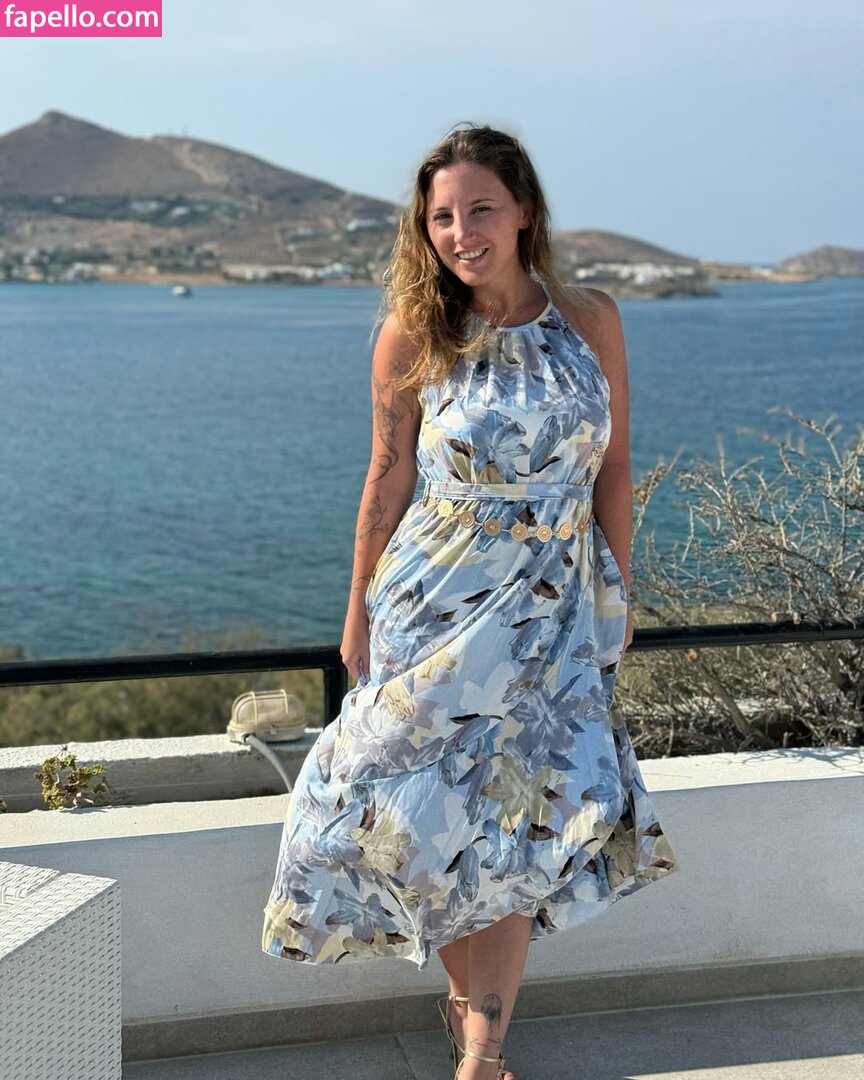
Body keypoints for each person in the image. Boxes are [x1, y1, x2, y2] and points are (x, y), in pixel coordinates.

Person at [262, 122, 680, 1080]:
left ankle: (482, 1053)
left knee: (521, 822)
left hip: (556, 611)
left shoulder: (592, 319)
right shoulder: (414, 333)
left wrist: (616, 591)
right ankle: (471, 1019)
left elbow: (614, 467)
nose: (460, 233)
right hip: (433, 602)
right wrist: (357, 607)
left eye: (479, 209)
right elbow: (386, 474)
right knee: (405, 812)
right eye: (441, 217)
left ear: (524, 209)